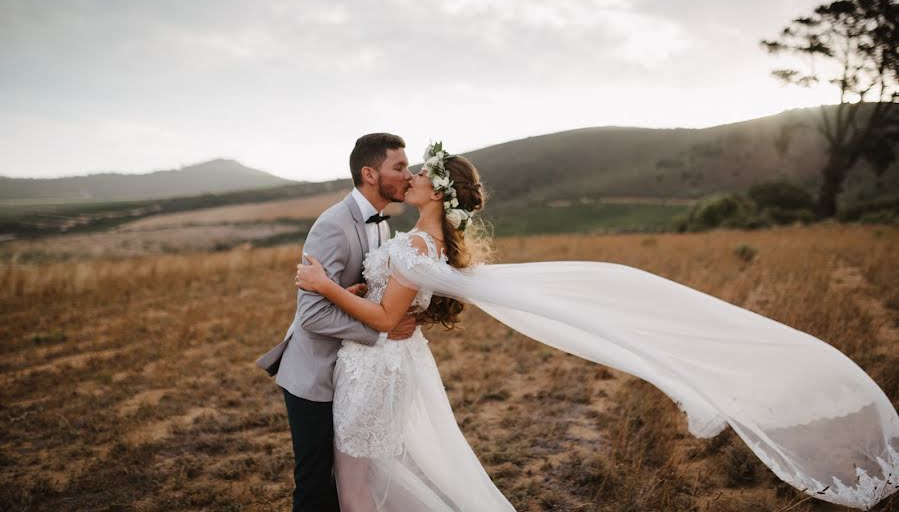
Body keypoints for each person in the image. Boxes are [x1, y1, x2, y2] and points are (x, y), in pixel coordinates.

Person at [296, 141, 899, 511]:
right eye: (406, 169)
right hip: (382, 364)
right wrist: (361, 292)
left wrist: (326, 287)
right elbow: (393, 303)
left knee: (354, 486)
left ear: (436, 192)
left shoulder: (414, 247)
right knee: (372, 474)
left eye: (418, 172)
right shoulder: (426, 243)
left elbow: (385, 316)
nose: (411, 176)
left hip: (374, 367)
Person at [256, 133, 418, 512]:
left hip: (354, 376)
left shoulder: (382, 225)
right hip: (314, 377)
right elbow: (311, 315)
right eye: (399, 166)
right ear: (370, 173)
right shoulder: (332, 224)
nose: (409, 175)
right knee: (315, 487)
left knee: (349, 481)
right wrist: (380, 330)